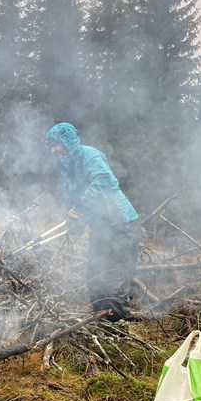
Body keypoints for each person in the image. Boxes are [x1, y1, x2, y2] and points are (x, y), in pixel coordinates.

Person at [45, 122, 140, 321]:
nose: (53, 150)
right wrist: (74, 221)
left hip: (119, 223)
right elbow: (72, 197)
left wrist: (80, 207)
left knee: (113, 276)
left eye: (55, 144)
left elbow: (102, 182)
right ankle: (100, 321)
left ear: (67, 141)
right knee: (95, 274)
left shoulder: (90, 155)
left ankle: (119, 327)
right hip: (101, 226)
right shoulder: (66, 165)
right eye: (51, 146)